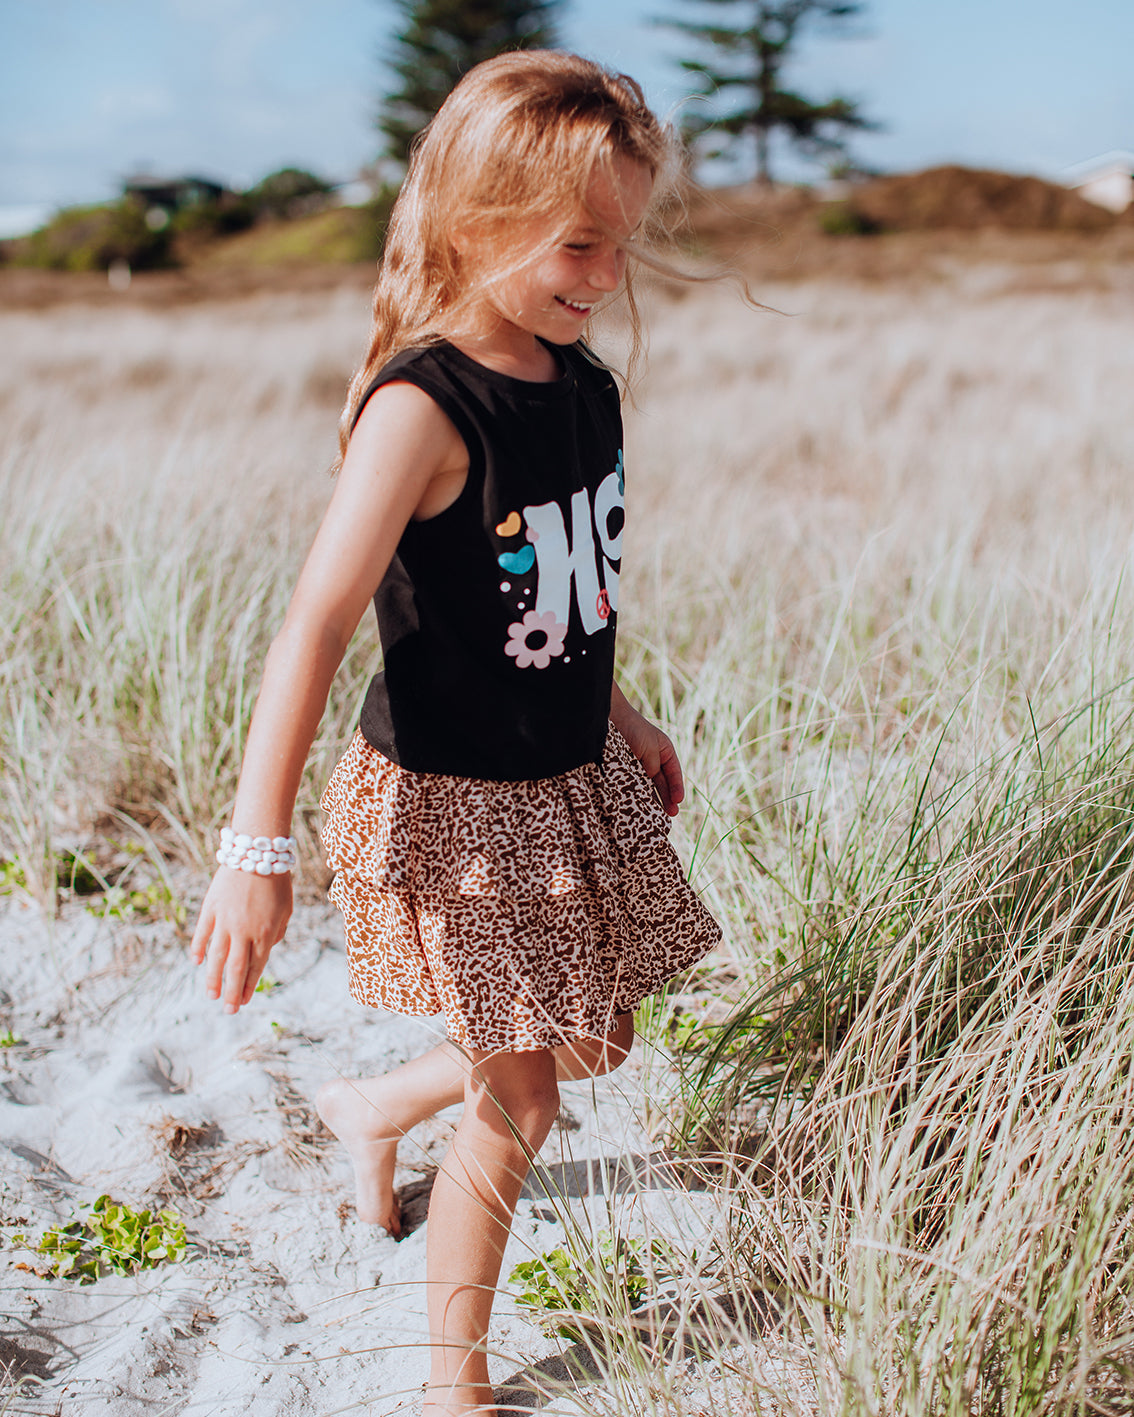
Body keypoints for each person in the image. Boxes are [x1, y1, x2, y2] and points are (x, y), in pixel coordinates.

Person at [190, 50, 721, 1417]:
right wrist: (255, 846)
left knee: (595, 1036)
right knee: (526, 1096)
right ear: (473, 217)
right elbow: (311, 624)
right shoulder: (423, 407)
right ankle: (454, 1384)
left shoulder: (582, 386)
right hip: (455, 803)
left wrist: (623, 710)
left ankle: (373, 1106)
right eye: (577, 243)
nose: (604, 273)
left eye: (622, 246)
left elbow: (558, 585)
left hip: (566, 773)